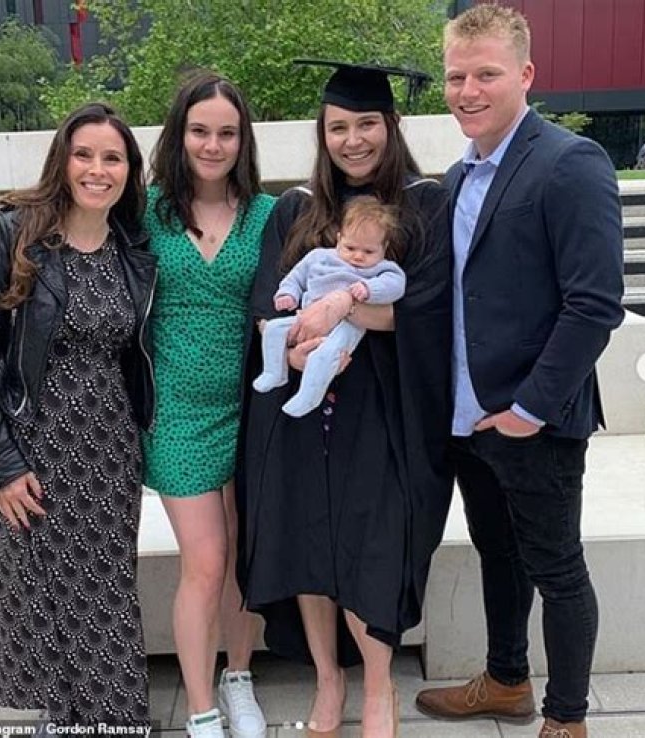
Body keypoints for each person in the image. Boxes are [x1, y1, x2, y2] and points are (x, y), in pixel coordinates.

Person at [414, 6, 625, 738]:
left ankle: (567, 718)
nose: (467, 91)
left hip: (534, 419)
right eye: (455, 77)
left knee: (557, 569)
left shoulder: (570, 163)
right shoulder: (457, 176)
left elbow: (594, 303)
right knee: (498, 557)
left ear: (526, 74)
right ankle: (506, 681)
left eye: (486, 74)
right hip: (471, 418)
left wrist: (531, 409)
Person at [237, 60, 453, 738]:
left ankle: (379, 687)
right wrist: (290, 348)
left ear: (391, 124)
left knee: (373, 543)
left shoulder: (425, 204)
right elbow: (266, 302)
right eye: (338, 127)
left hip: (383, 412)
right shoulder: (296, 209)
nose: (352, 140)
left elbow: (427, 310)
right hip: (302, 411)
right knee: (306, 537)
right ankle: (328, 681)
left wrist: (340, 309)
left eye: (366, 124)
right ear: (321, 133)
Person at [0, 103, 156, 727]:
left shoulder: (132, 247)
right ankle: (65, 719)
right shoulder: (12, 230)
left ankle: (114, 722)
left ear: (129, 170)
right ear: (61, 161)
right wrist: (3, 465)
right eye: (84, 154)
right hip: (33, 449)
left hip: (109, 451)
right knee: (43, 598)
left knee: (107, 593)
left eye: (113, 158)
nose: (98, 169)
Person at [141, 70, 275, 738]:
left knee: (244, 555)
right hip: (177, 414)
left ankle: (238, 678)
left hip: (251, 410)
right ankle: (200, 709)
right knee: (206, 560)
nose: (213, 145)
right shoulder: (148, 211)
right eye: (200, 131)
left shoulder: (267, 213)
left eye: (226, 133)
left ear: (242, 140)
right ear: (180, 134)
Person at [253, 196, 406, 417]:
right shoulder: (319, 257)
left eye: (368, 251)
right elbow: (296, 276)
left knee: (325, 355)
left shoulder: (383, 269)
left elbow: (395, 286)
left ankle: (309, 395)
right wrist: (288, 293)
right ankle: (274, 372)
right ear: (339, 238)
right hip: (308, 314)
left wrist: (368, 288)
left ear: (384, 248)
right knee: (273, 329)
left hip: (348, 324)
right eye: (350, 247)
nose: (358, 256)